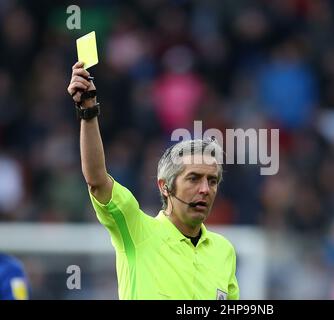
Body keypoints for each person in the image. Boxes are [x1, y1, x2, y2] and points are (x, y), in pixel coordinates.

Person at [67, 61, 239, 300]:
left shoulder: (224, 251)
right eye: (193, 178)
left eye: (212, 181)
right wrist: (88, 112)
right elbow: (97, 180)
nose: (204, 189)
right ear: (165, 186)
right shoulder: (138, 231)